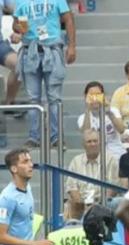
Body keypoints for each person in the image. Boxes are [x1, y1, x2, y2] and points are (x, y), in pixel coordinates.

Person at [14, 0, 76, 148]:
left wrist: (72, 46)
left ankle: (56, 137)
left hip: (52, 47)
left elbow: (68, 19)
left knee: (54, 97)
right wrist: (18, 29)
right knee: (33, 97)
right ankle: (33, 137)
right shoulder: (21, 1)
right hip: (30, 49)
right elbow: (16, 23)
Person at [65, 130, 119, 205]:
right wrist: (82, 206)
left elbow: (113, 188)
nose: (93, 144)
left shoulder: (110, 160)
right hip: (80, 205)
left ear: (100, 143)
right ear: (83, 144)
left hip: (103, 204)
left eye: (95, 141)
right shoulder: (76, 161)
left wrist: (99, 207)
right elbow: (72, 188)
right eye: (89, 141)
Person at [78, 81, 127, 158]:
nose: (94, 98)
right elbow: (86, 133)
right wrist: (87, 109)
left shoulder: (113, 111)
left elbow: (121, 130)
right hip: (95, 155)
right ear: (85, 96)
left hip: (116, 152)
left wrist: (109, 112)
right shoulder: (83, 117)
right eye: (91, 95)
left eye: (98, 94)